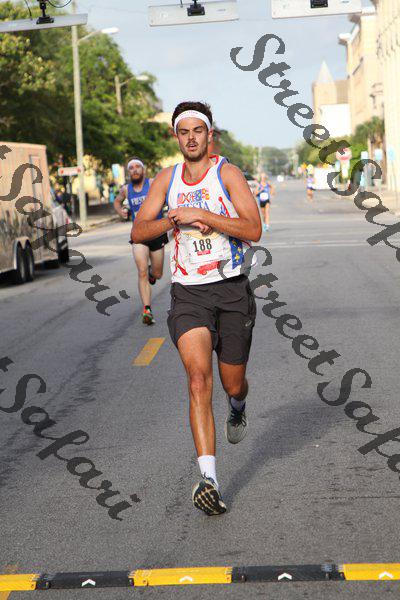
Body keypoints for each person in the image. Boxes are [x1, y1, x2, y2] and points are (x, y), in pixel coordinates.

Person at [132, 101, 261, 516]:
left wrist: (205, 215)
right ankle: (209, 479)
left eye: (198, 131)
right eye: (184, 131)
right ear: (176, 137)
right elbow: (139, 230)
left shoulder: (227, 174)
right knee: (198, 380)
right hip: (189, 294)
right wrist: (175, 220)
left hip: (231, 290)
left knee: (232, 383)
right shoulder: (166, 179)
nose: (191, 138)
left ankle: (238, 406)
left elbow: (254, 228)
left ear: (210, 135)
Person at [114, 158, 168, 325]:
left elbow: (167, 195)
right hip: (138, 235)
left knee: (157, 274)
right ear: (128, 172)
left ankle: (153, 274)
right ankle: (147, 309)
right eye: (131, 168)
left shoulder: (152, 184)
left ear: (143, 170)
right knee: (142, 271)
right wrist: (121, 212)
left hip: (156, 233)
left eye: (138, 167)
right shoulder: (126, 189)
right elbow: (117, 202)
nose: (135, 170)